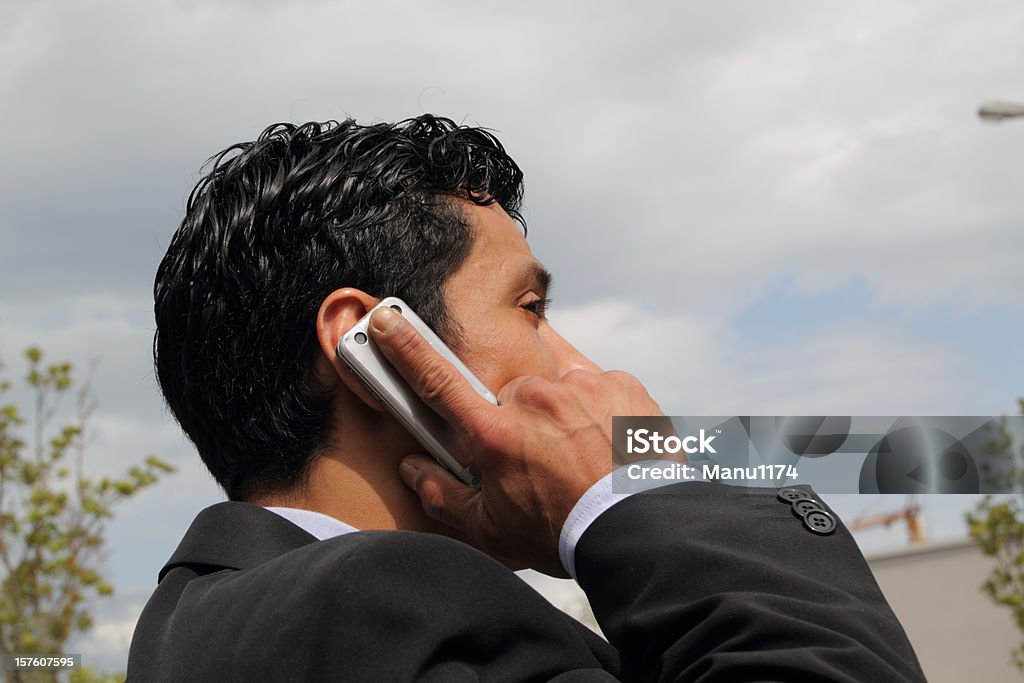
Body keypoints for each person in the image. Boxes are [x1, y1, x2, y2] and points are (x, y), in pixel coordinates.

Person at [127, 115, 926, 681]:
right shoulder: (393, 611)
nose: (579, 368)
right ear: (369, 344)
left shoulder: (195, 627)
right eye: (532, 310)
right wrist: (631, 495)